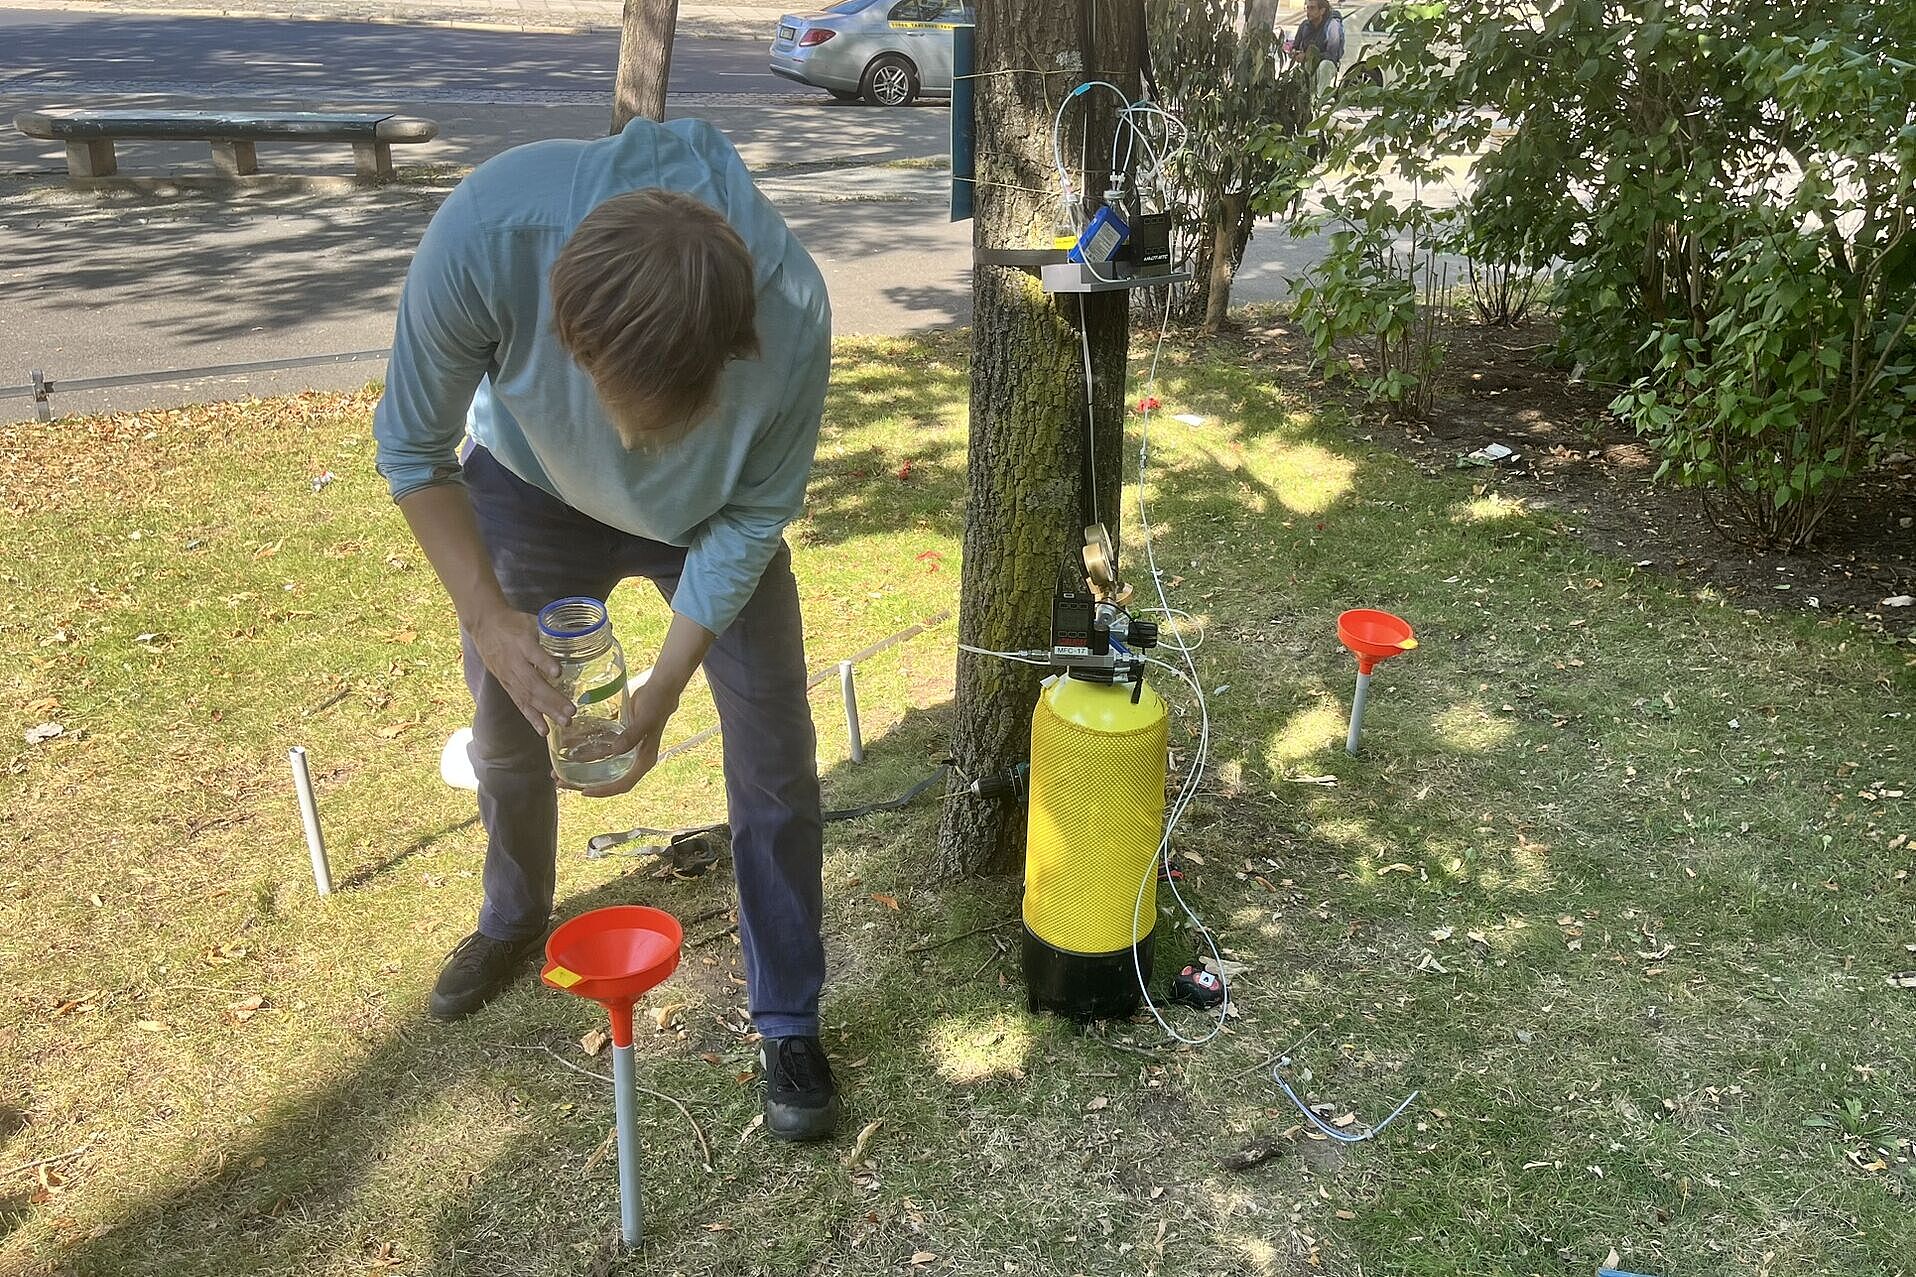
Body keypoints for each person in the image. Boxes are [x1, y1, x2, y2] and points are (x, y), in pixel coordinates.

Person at [372, 116, 838, 1141]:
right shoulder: (488, 235)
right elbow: (412, 447)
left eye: (658, 414)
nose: (628, 442)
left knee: (773, 757)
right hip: (531, 487)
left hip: (711, 517)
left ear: (735, 346)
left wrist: (664, 687)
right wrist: (488, 615)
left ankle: (788, 1012)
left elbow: (755, 514)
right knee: (505, 728)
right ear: (562, 321)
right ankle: (510, 919)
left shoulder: (793, 311)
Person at [1289, 0, 1346, 81]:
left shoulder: (1332, 26)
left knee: (1325, 65)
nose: (1308, 12)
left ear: (1322, 11)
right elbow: (1295, 46)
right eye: (1307, 8)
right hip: (1307, 66)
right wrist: (1294, 52)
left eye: (1312, 8)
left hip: (1327, 66)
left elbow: (1332, 55)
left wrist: (1307, 57)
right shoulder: (1304, 25)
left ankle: (1321, 94)